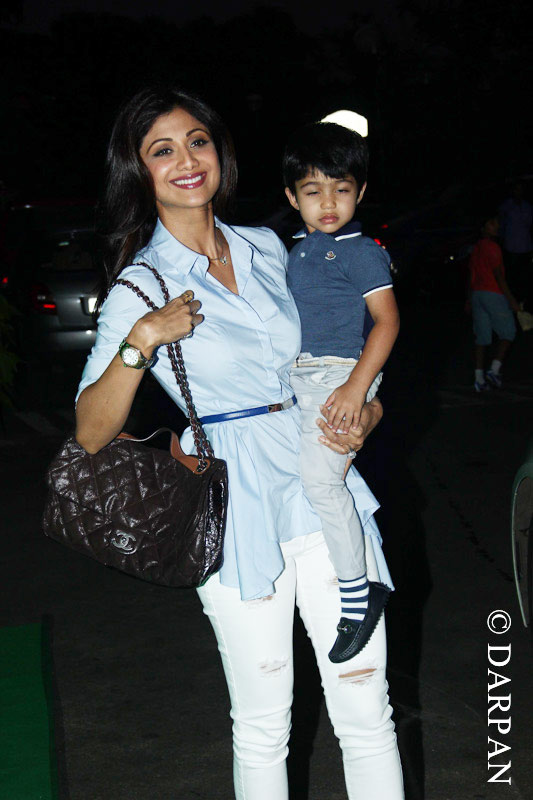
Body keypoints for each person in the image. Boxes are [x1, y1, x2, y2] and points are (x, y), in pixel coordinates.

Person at [75, 85, 404, 800]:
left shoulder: (270, 247)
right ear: (139, 171)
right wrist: (141, 340)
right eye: (162, 150)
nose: (186, 160)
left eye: (197, 141)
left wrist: (368, 408)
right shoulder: (140, 286)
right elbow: (90, 430)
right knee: (263, 724)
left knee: (365, 708)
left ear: (218, 152)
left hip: (321, 480)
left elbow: (337, 348)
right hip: (237, 510)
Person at [283, 122, 400, 663]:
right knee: (321, 476)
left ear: (361, 192)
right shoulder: (296, 249)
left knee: (321, 481)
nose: (328, 203)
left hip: (342, 373)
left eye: (342, 189)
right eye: (313, 191)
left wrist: (357, 389)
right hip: (304, 374)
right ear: (293, 198)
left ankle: (358, 592)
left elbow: (387, 322)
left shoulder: (360, 252)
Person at [468, 216, 519, 391]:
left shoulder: (476, 248)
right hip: (492, 293)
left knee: (481, 338)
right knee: (509, 332)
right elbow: (498, 275)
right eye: (492, 223)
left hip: (478, 295)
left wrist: (469, 298)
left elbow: (472, 276)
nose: (496, 226)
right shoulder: (492, 247)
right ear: (483, 227)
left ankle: (478, 378)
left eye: (497, 223)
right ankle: (494, 370)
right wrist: (511, 300)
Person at [499, 182, 532, 311]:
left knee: (525, 275)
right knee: (512, 275)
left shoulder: (527, 206)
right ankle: (512, 302)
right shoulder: (506, 205)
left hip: (525, 245)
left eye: (520, 189)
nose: (518, 192)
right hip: (511, 246)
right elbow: (501, 223)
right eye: (516, 189)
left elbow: (529, 224)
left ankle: (523, 303)